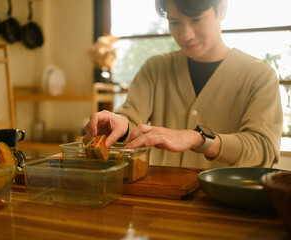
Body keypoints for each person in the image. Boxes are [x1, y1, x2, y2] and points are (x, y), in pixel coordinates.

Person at [83, 0, 283, 168]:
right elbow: (132, 121)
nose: (186, 35)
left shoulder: (259, 75)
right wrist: (120, 125)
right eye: (174, 21)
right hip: (161, 199)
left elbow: (264, 149)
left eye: (196, 20)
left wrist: (200, 139)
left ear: (221, 9)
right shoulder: (155, 68)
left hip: (226, 205)